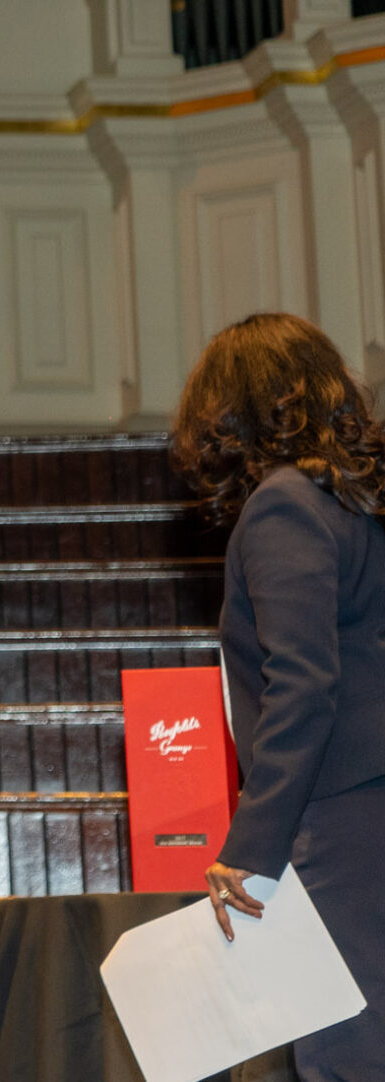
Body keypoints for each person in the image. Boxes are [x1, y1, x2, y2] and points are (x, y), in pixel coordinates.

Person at [170, 312, 385, 1079]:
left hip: (341, 814)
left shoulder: (284, 504)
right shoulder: (359, 503)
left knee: (346, 1048)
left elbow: (302, 684)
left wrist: (250, 847)